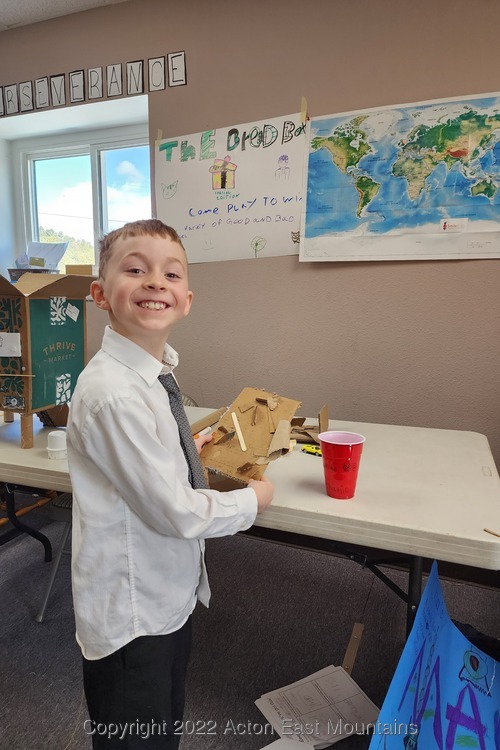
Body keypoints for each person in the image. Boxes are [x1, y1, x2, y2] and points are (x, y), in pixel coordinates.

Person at [66, 219, 274, 749]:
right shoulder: (114, 393)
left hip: (167, 592)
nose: (155, 281)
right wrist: (253, 500)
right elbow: (176, 512)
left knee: (164, 725)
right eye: (135, 269)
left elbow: (150, 465)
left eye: (170, 273)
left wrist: (186, 450)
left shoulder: (154, 371)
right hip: (134, 613)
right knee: (138, 734)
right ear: (100, 294)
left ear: (186, 299)